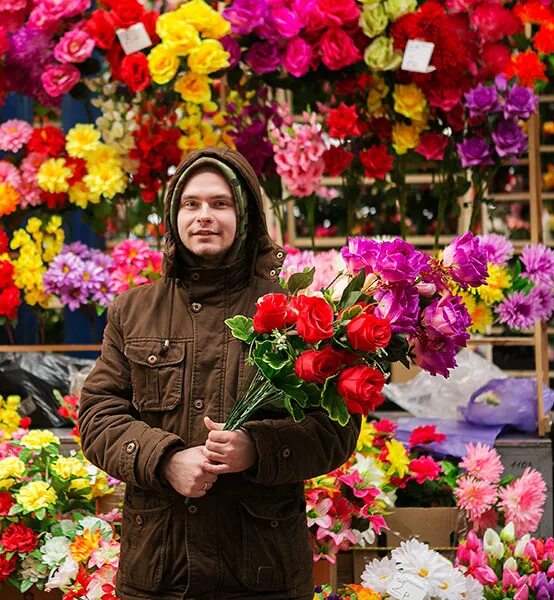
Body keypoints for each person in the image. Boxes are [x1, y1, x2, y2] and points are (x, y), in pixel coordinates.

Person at [79, 147, 361, 600]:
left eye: (220, 203)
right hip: (159, 570)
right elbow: (98, 415)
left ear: (244, 214)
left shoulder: (295, 311)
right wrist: (165, 459)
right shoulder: (134, 311)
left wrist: (258, 448)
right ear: (173, 217)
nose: (204, 216)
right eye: (191, 204)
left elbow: (334, 430)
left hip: (261, 570)